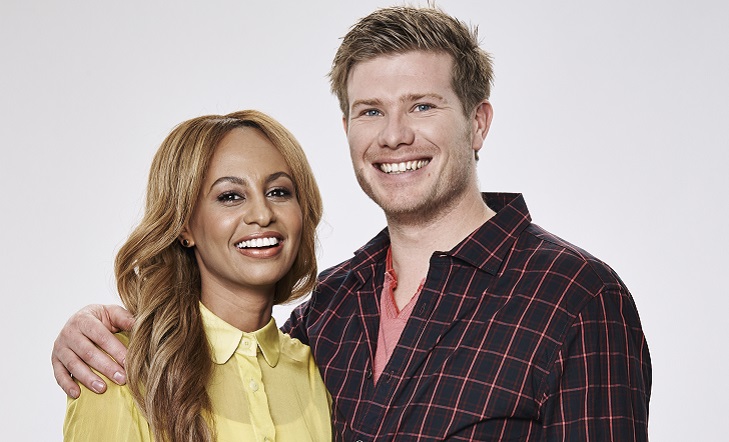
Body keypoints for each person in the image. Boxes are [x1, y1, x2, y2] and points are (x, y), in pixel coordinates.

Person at [53, 6, 651, 441]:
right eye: (371, 111)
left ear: (478, 123)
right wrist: (93, 328)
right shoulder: (330, 309)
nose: (394, 135)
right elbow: (220, 344)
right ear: (347, 130)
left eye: (422, 105)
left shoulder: (578, 299)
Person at [61, 110, 331, 441]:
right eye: (230, 196)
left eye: (278, 192)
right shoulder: (119, 366)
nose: (262, 215)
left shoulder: (320, 372)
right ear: (184, 226)